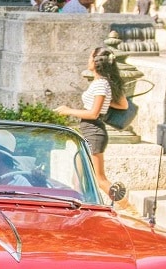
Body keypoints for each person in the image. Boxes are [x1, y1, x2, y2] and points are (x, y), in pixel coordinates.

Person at [54, 46, 128, 201]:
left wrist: (68, 111)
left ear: (96, 62)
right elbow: (122, 105)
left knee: (100, 179)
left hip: (93, 132)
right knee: (77, 178)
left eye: (90, 57)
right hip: (88, 131)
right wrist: (106, 103)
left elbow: (93, 114)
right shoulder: (102, 83)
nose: (88, 60)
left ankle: (129, 208)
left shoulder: (101, 84)